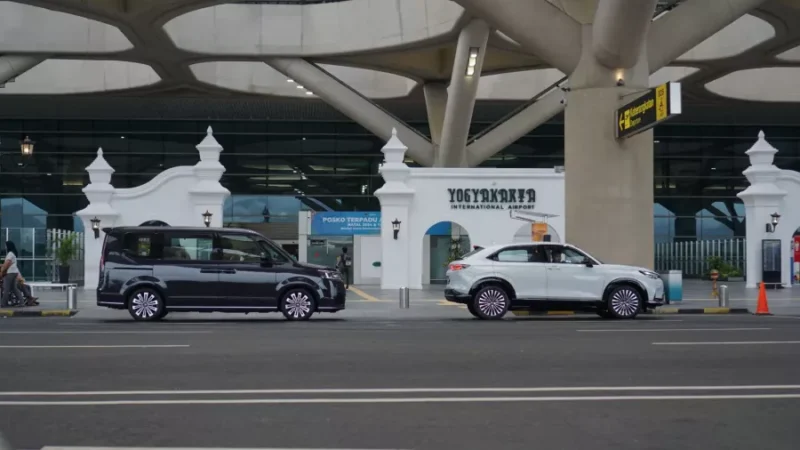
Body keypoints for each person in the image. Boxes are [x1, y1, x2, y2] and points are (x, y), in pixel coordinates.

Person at [1, 241, 24, 308]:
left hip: (10, 273)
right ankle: (22, 302)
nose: (5, 247)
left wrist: (2, 271)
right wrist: (2, 265)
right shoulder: (12, 254)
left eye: (6, 245)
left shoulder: (10, 254)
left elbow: (7, 263)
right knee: (14, 288)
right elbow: (9, 263)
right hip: (14, 272)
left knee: (6, 288)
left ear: (8, 246)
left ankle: (3, 304)